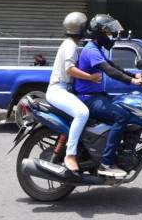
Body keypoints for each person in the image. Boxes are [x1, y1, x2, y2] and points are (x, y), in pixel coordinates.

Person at [74, 14, 142, 179]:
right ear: (99, 33)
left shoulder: (97, 49)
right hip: (88, 98)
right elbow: (109, 70)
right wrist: (132, 82)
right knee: (121, 116)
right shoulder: (91, 50)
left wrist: (134, 76)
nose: (111, 36)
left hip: (97, 95)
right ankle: (106, 163)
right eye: (108, 32)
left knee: (125, 107)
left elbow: (114, 66)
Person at [45, 12, 102, 173]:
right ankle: (70, 155)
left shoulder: (72, 44)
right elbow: (70, 69)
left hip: (66, 90)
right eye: (86, 28)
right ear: (80, 30)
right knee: (82, 113)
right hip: (58, 90)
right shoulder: (69, 45)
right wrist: (91, 77)